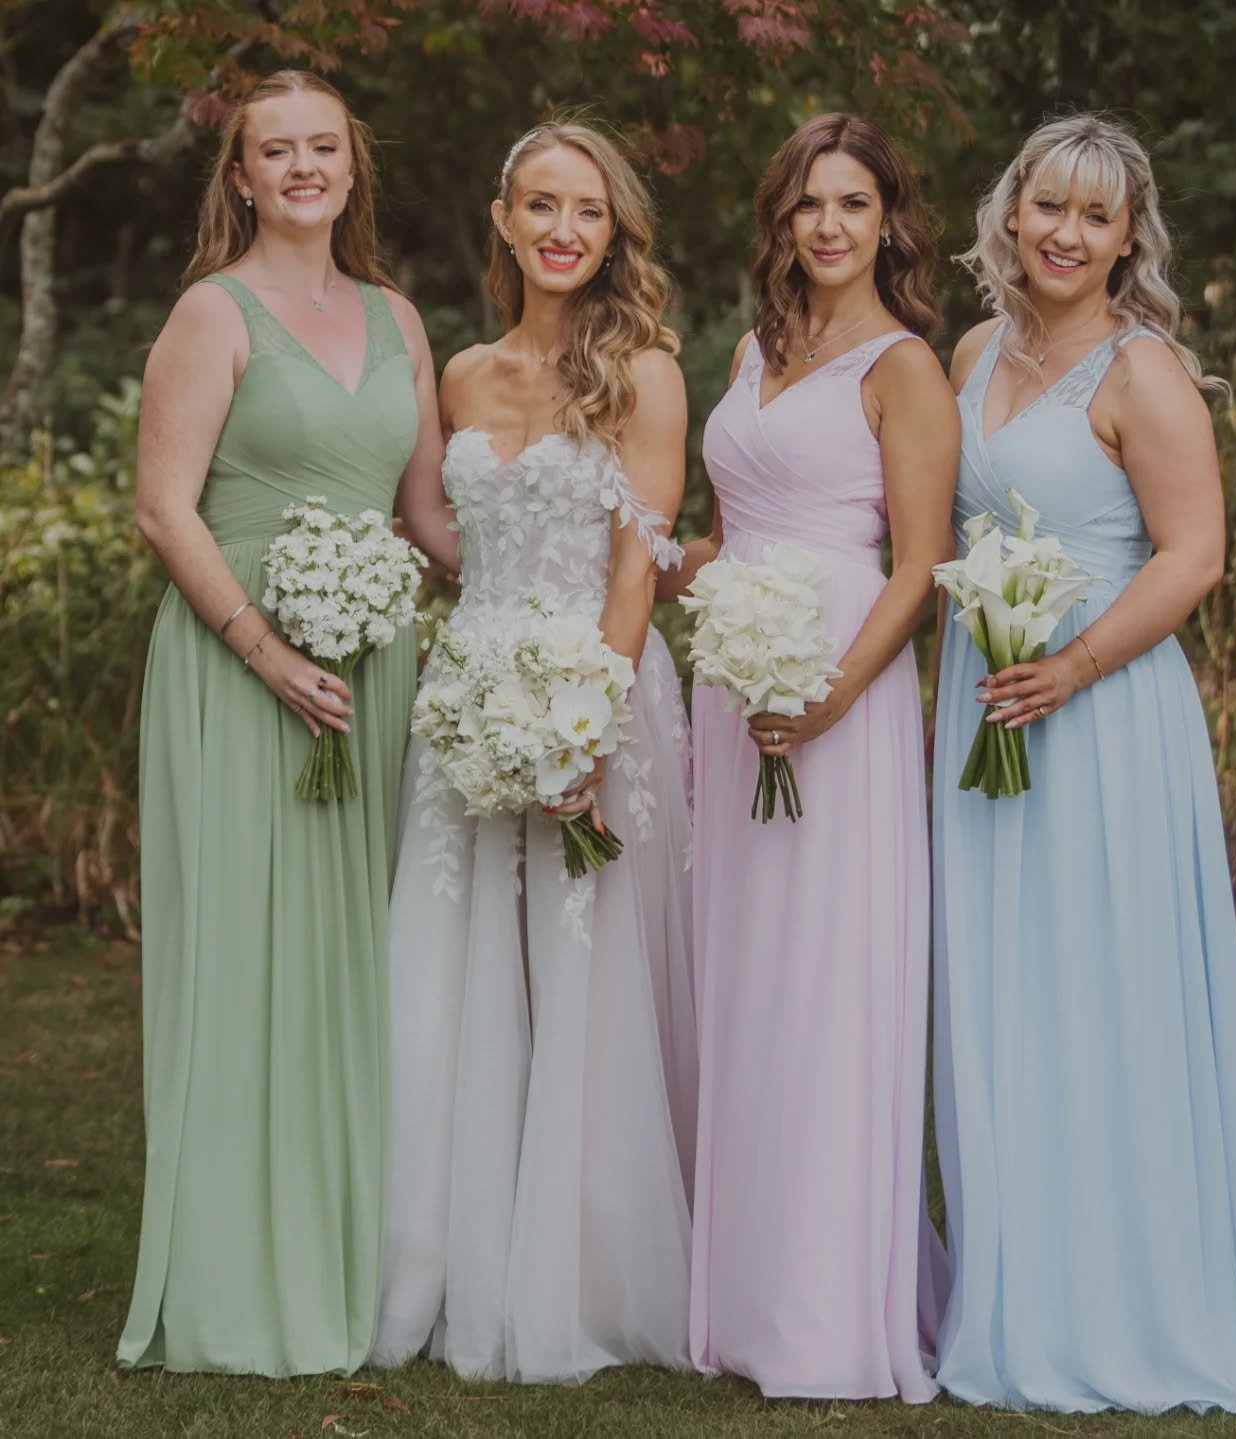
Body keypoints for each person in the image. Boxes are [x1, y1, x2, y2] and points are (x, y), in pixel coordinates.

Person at [930, 113, 1236, 1413]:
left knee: (1098, 994)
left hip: (1098, 715)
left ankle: (1117, 1299)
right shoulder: (972, 347)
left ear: (1127, 236)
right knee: (994, 997)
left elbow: (1193, 554)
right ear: (1013, 210)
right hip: (979, 699)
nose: (1065, 233)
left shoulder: (1141, 370)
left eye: (1096, 216)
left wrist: (1075, 665)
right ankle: (1007, 1283)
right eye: (1049, 204)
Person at [118, 70, 442, 1374]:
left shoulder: (399, 316)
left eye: (324, 146)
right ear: (240, 175)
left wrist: (571, 570)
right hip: (239, 673)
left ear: (352, 168)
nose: (303, 166)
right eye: (275, 150)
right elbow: (164, 509)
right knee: (247, 964)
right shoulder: (213, 312)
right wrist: (262, 650)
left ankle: (349, 1251)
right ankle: (239, 1272)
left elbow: (426, 519)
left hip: (371, 675)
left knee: (359, 967)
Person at [371, 121, 695, 1384]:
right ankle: (440, 1262)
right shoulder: (459, 373)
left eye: (591, 212)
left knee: (581, 979)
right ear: (502, 218)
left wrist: (586, 720)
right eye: (543, 205)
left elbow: (641, 562)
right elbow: (459, 539)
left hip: (592, 696)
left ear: (615, 235)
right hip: (470, 695)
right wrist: (484, 662)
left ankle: (586, 1275)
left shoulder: (647, 373)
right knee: (455, 975)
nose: (566, 229)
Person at [666, 113, 959, 1402]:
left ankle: (829, 1308)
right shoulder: (752, 350)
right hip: (740, 684)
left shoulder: (907, 368)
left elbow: (920, 567)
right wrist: (670, 570)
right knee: (748, 974)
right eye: (807, 205)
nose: (829, 226)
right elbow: (732, 529)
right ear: (781, 223)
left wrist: (835, 697)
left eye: (854, 203)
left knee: (829, 976)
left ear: (889, 220)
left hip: (844, 684)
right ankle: (741, 1288)